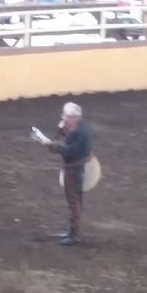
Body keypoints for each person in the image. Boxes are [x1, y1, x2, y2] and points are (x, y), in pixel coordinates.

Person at [47, 102, 94, 246]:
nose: (63, 117)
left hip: (73, 170)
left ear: (73, 117)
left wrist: (53, 147)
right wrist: (62, 130)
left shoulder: (77, 132)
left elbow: (69, 151)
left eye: (65, 116)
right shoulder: (82, 127)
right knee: (76, 201)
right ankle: (72, 231)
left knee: (74, 202)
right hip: (79, 168)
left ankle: (74, 235)